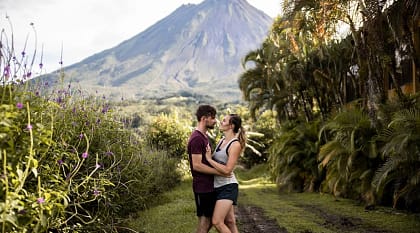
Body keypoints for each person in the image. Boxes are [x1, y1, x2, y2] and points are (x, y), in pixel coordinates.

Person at [187, 104, 227, 233]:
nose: (215, 121)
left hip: (209, 186)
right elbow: (197, 165)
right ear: (204, 118)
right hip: (203, 187)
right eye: (213, 118)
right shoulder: (197, 138)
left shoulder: (204, 136)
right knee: (205, 221)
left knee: (209, 221)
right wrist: (219, 172)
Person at [205, 114, 246, 233]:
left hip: (228, 187)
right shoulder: (222, 140)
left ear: (231, 126)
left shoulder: (235, 144)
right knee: (230, 222)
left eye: (224, 121)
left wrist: (209, 160)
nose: (221, 122)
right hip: (217, 186)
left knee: (217, 222)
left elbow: (228, 170)